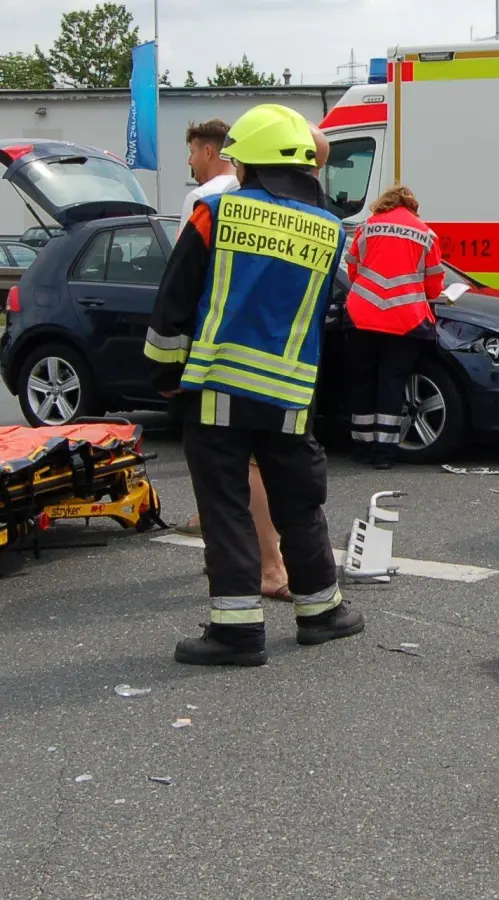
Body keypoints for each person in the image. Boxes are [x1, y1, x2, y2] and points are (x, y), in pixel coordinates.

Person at [144, 103, 363, 666]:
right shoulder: (331, 229)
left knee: (227, 508)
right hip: (291, 394)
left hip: (217, 389)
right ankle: (322, 611)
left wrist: (167, 379)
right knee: (298, 503)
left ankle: (237, 633)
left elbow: (173, 306)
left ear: (251, 163)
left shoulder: (214, 214)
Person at [173, 118, 290, 601]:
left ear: (208, 150)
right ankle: (270, 556)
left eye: (192, 153)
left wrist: (169, 366)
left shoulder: (206, 203)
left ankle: (270, 564)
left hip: (217, 353)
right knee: (267, 460)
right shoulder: (271, 200)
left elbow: (183, 282)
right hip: (276, 352)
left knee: (235, 462)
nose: (189, 162)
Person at [343, 185, 445, 468]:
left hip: (362, 314)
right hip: (404, 319)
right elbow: (433, 283)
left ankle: (361, 447)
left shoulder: (368, 227)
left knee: (363, 380)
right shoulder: (425, 232)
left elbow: (353, 267)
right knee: (392, 382)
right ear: (412, 206)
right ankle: (384, 453)